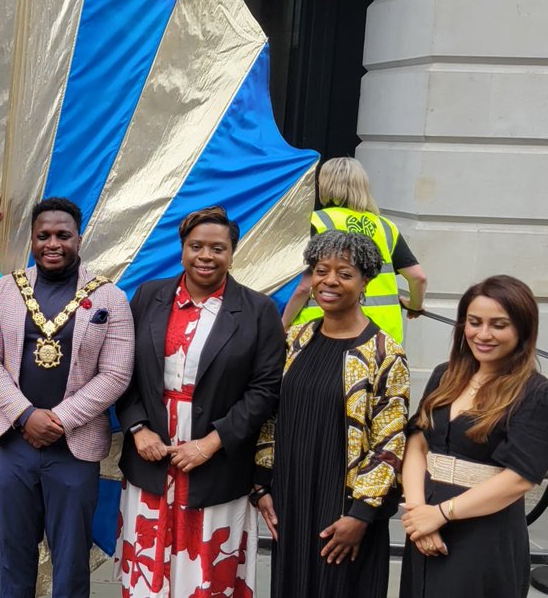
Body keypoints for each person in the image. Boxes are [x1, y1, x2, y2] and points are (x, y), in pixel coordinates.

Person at [115, 206, 285, 597]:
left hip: (218, 465)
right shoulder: (149, 297)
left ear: (232, 254)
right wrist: (138, 429)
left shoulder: (258, 311)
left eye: (217, 248)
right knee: (148, 571)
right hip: (151, 460)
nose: (206, 256)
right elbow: (122, 368)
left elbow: (265, 389)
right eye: (196, 246)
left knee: (207, 572)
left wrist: (210, 443)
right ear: (182, 250)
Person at [0, 196, 134, 598]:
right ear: (32, 239)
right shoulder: (2, 291)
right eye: (43, 236)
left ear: (79, 239)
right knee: (14, 554)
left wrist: (58, 419)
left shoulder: (110, 298)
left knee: (71, 557)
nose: (53, 244)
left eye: (63, 235)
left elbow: (116, 375)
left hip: (74, 448)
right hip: (15, 443)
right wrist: (26, 415)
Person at [255, 230, 409, 598]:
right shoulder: (296, 339)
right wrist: (261, 485)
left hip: (344, 508)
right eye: (321, 270)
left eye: (345, 273)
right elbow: (271, 413)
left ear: (365, 281)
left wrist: (361, 515)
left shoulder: (385, 353)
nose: (330, 281)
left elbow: (390, 440)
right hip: (292, 497)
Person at [399, 275, 548, 598]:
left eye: (498, 325)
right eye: (474, 322)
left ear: (522, 329)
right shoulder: (444, 375)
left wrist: (440, 514)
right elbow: (417, 443)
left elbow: (519, 479)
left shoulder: (536, 393)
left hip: (484, 533)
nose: (483, 334)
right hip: (425, 522)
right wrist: (418, 512)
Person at [281, 156, 427, 343]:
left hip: (326, 329)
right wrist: (415, 305)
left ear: (324, 184)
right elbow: (418, 277)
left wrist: (283, 324)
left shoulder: (316, 222)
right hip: (382, 334)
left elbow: (303, 287)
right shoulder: (385, 227)